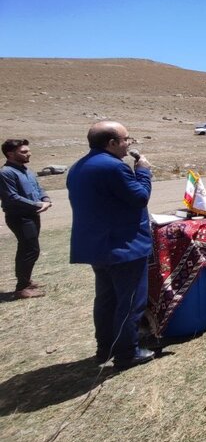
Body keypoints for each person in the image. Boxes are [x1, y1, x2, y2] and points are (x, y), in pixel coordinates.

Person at [67, 121, 155, 369]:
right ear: (112, 143)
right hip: (124, 245)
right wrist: (143, 172)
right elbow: (140, 198)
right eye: (127, 139)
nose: (129, 144)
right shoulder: (114, 167)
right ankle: (127, 353)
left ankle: (104, 347)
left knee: (106, 300)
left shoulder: (78, 167)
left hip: (98, 246)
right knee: (129, 301)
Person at [0, 139, 52, 299]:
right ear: (10, 154)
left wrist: (46, 199)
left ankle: (27, 281)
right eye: (23, 152)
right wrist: (37, 204)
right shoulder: (5, 173)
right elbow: (12, 197)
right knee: (29, 250)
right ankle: (22, 288)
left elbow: (38, 188)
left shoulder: (26, 170)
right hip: (19, 217)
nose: (28, 153)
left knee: (30, 248)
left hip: (31, 215)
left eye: (28, 150)